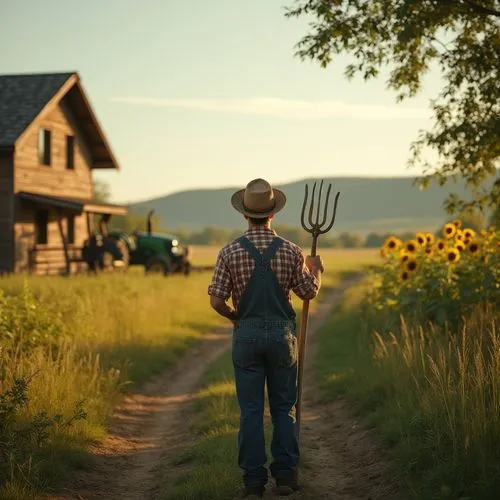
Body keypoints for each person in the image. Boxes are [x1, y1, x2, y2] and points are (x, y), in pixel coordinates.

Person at [208, 178, 324, 498]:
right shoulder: (291, 250)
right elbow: (308, 292)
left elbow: (216, 301)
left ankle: (254, 482)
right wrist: (316, 270)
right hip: (282, 339)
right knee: (284, 408)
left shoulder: (229, 251)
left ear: (245, 215)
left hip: (246, 337)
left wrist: (235, 317)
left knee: (250, 411)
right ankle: (285, 477)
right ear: (273, 215)